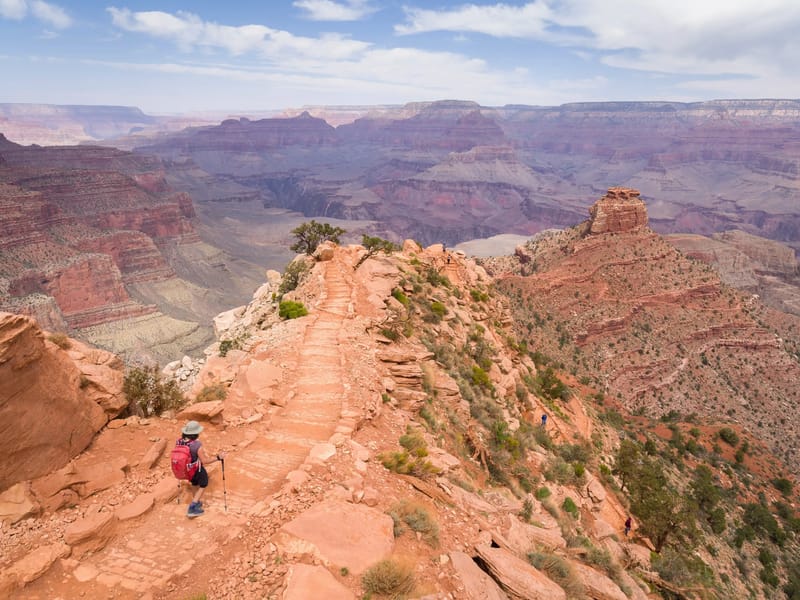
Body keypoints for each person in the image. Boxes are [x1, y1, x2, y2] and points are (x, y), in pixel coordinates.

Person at [179, 420, 226, 518]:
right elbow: (204, 461)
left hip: (186, 469)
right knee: (204, 483)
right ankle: (192, 507)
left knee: (194, 483)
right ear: (195, 433)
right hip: (196, 469)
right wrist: (218, 457)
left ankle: (196, 502)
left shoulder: (180, 441)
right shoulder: (197, 445)